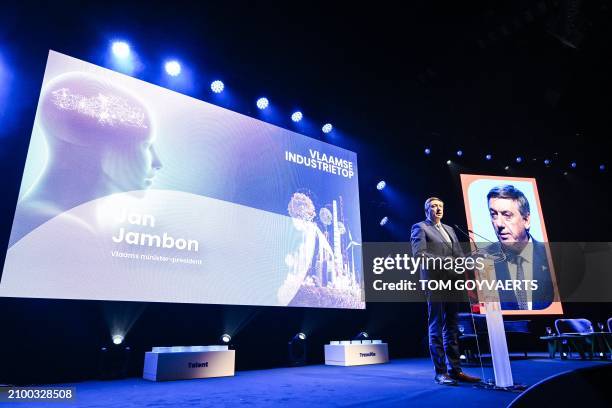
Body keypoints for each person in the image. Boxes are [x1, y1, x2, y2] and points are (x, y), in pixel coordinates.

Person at [9, 72, 163, 247]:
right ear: (102, 145)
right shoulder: (61, 230)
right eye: (144, 145)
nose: (157, 163)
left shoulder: (55, 221)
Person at [411, 197, 480, 385]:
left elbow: (458, 256)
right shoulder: (420, 228)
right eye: (434, 206)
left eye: (441, 206)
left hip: (453, 282)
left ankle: (456, 370)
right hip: (434, 282)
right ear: (427, 210)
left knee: (452, 327)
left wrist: (472, 258)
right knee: (437, 325)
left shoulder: (450, 229)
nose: (438, 209)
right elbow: (420, 255)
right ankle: (440, 373)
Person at [486, 185, 554, 310]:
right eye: (494, 215)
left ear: (526, 220)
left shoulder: (553, 256)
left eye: (507, 215)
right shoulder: (483, 260)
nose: (499, 224)